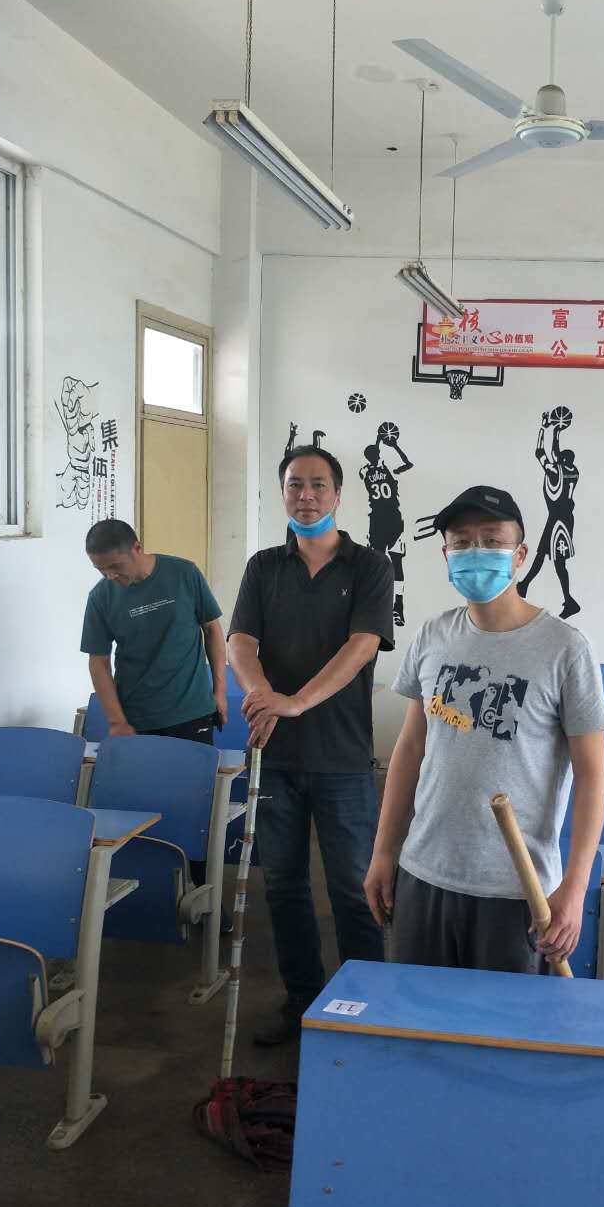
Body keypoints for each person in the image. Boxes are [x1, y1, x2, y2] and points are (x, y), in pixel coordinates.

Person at [364, 483, 604, 977]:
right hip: (424, 873)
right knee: (418, 1015)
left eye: (492, 540)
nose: (475, 551)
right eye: (461, 541)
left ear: (520, 554)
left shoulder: (564, 648)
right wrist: (384, 851)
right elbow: (410, 749)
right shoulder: (433, 635)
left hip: (516, 890)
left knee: (504, 1023)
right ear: (445, 554)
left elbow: (593, 776)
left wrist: (574, 887)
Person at [229, 443, 394, 1045]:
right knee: (283, 887)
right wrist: (262, 692)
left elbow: (362, 647)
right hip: (275, 756)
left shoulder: (368, 566)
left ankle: (367, 1008)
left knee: (355, 889)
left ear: (338, 494)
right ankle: (302, 1001)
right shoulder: (263, 567)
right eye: (295, 485)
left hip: (342, 757)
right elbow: (239, 642)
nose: (306, 495)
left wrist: (296, 701)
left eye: (318, 485)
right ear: (282, 494)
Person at [81, 519, 227, 743]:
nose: (110, 576)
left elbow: (212, 629)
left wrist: (219, 691)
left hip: (193, 711)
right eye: (101, 570)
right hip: (137, 718)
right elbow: (98, 662)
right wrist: (116, 721)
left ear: (137, 548)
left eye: (115, 566)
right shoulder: (100, 597)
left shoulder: (184, 573)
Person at [517, 409, 581, 620]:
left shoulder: (555, 472)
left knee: (558, 562)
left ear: (561, 460)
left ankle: (569, 601)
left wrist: (546, 429)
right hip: (563, 517)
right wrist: (557, 432)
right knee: (541, 554)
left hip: (558, 520)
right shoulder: (573, 471)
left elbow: (540, 452)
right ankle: (524, 585)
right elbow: (555, 452)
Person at [359, 426, 413, 628]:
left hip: (387, 521)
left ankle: (397, 606)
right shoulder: (380, 468)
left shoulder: (367, 470)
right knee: (382, 565)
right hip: (385, 521)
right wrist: (392, 445)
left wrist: (383, 442)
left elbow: (408, 464)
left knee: (393, 564)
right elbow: (406, 464)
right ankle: (387, 606)